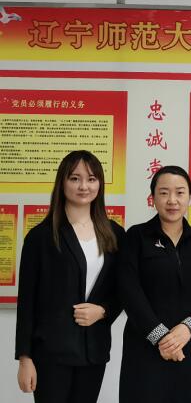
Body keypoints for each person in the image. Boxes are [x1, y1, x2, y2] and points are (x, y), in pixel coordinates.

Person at [15, 150, 125, 403]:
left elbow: (123, 289)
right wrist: (25, 358)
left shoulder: (115, 234)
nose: (84, 186)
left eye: (91, 179)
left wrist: (104, 311)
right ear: (62, 183)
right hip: (51, 353)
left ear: (100, 184)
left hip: (93, 351)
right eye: (75, 178)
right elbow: (27, 302)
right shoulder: (41, 237)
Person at [118, 166, 191, 403]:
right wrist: (161, 337)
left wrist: (188, 329)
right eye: (164, 193)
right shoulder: (136, 236)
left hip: (190, 346)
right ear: (152, 198)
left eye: (180, 192)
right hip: (145, 345)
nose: (172, 200)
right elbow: (129, 290)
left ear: (189, 197)